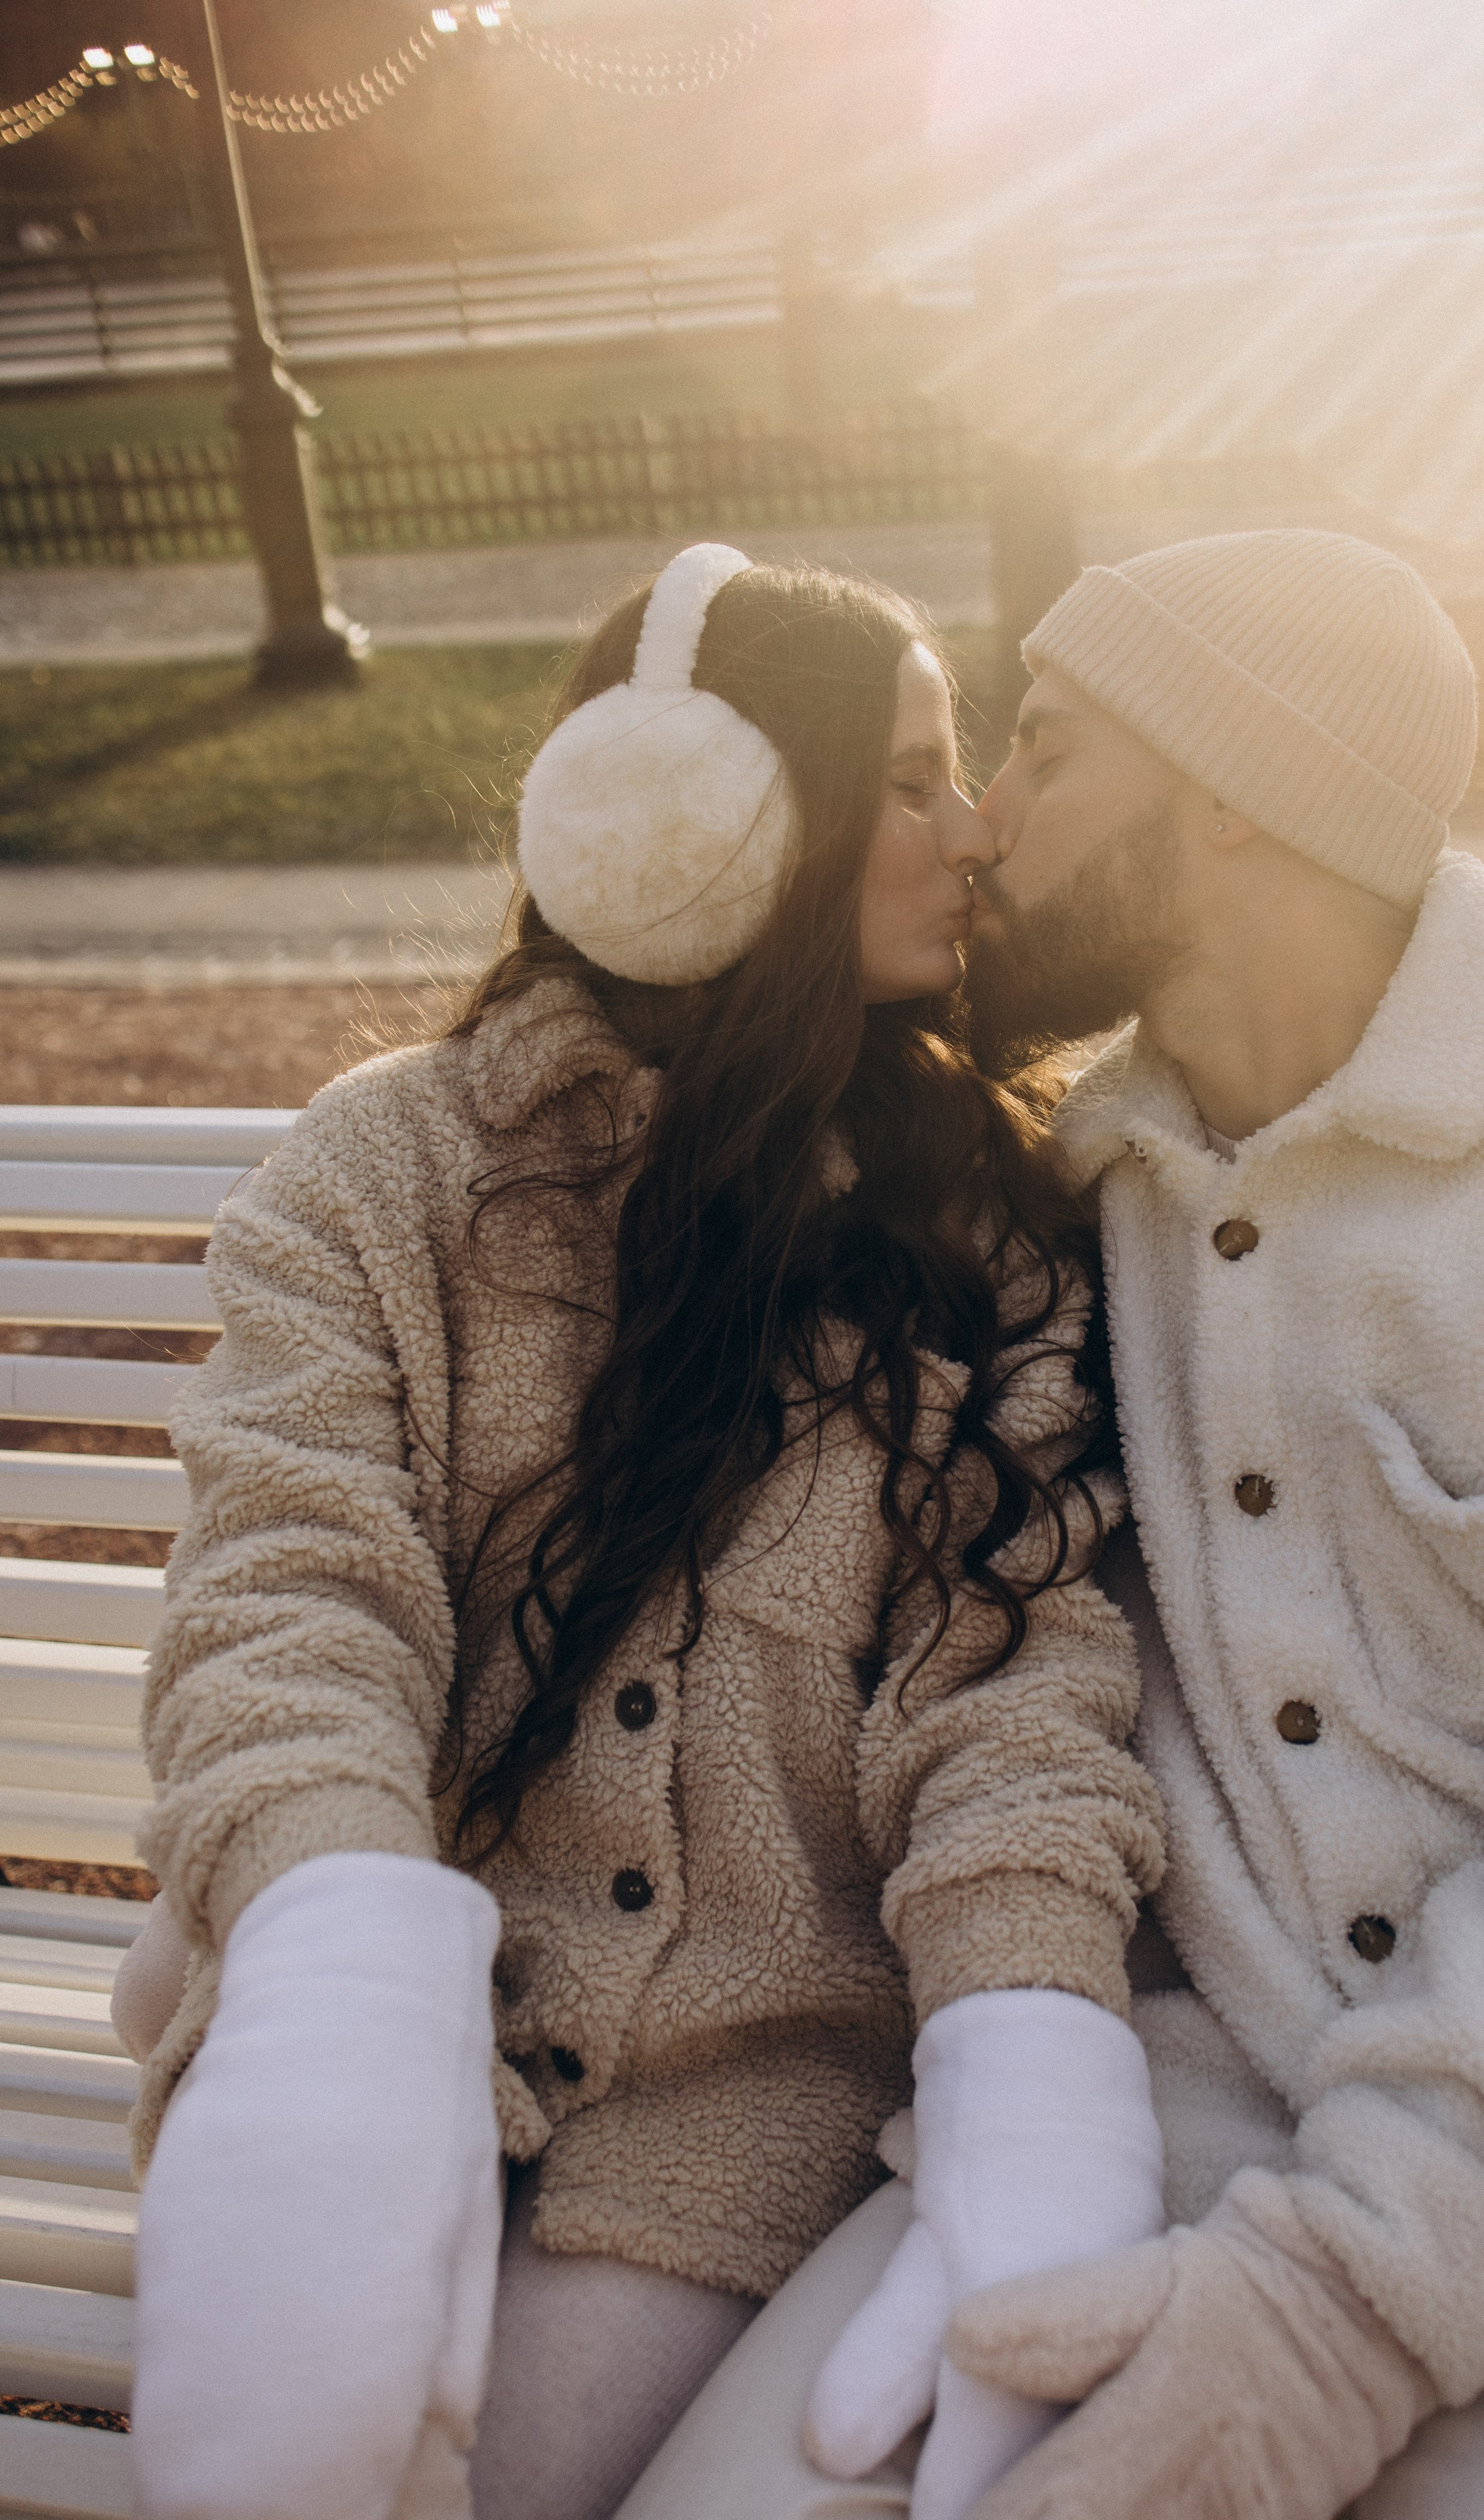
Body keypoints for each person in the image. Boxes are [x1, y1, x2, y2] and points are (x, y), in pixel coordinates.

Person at [601, 530, 1484, 2520]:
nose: (984, 825)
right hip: (1172, 2107)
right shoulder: (1053, 1204)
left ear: (1241, 801)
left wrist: (1334, 2319)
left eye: (1047, 748)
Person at [117, 546, 1172, 2520]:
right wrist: (339, 1975)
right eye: (919, 779)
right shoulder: (396, 1164)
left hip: (735, 2106)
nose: (977, 835)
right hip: (362, 2033)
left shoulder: (986, 1235)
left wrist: (1032, 2070)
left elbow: (1016, 1699)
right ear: (717, 815)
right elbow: (291, 1593)